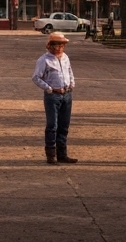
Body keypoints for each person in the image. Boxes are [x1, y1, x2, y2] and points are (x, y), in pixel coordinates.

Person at [32, 32, 76, 165]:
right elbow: (36, 77)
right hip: (53, 95)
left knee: (64, 125)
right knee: (52, 125)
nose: (59, 47)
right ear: (50, 45)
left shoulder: (65, 58)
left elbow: (69, 71)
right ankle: (51, 155)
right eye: (56, 44)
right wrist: (49, 88)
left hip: (66, 94)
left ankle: (62, 153)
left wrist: (72, 83)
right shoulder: (44, 60)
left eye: (62, 44)